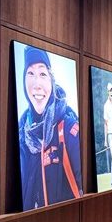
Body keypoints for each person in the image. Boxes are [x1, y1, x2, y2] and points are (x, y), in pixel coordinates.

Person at [18, 45, 83, 210]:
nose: (37, 84)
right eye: (30, 73)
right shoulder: (20, 135)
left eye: (42, 74)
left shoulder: (69, 129)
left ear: (51, 81)